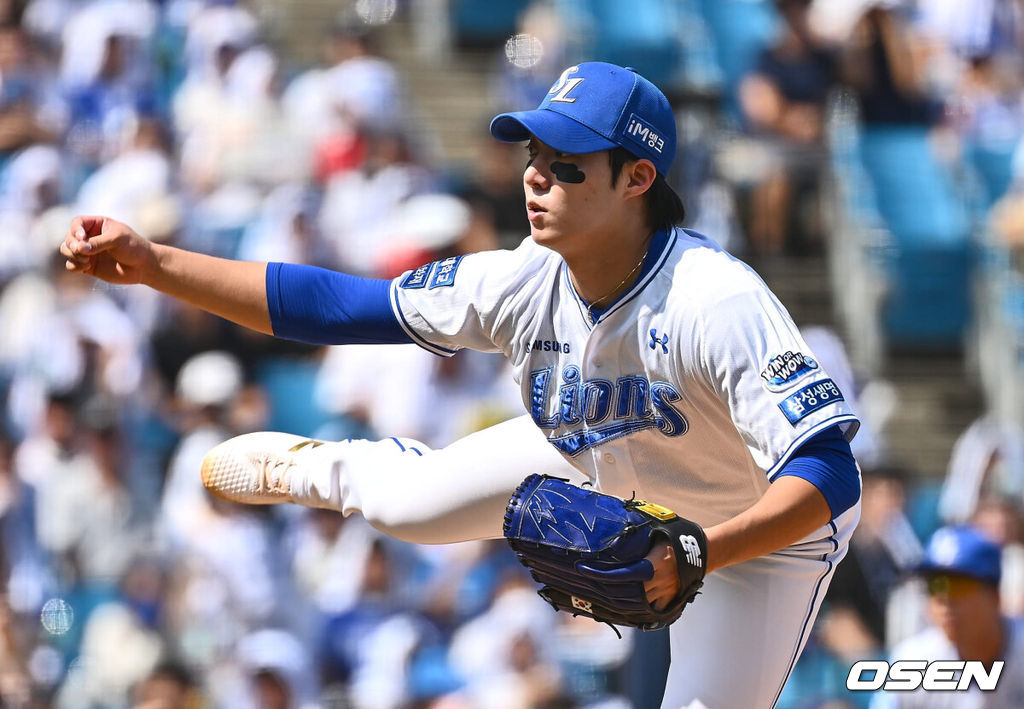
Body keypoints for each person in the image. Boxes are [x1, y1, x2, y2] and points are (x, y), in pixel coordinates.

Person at [61, 62, 862, 708]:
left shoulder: (713, 301)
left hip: (760, 537)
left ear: (636, 178)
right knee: (406, 505)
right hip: (607, 461)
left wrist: (699, 550)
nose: (536, 179)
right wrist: (158, 265)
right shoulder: (523, 280)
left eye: (567, 165)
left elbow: (828, 470)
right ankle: (321, 468)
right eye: (534, 158)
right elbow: (340, 306)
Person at [870, 525, 1024, 708]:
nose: (943, 598)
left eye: (957, 585)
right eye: (934, 585)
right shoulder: (914, 664)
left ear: (994, 597)